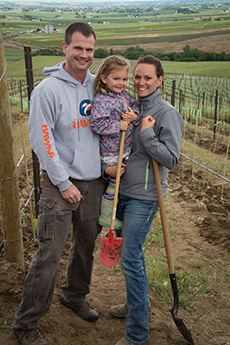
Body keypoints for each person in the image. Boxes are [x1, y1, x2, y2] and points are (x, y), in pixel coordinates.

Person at [13, 22, 106, 345]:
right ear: (64, 48)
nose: (84, 54)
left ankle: (75, 296)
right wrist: (63, 182)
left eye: (89, 49)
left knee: (86, 248)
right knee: (49, 253)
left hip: (94, 182)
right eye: (78, 47)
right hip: (59, 184)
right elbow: (42, 140)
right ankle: (26, 324)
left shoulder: (99, 85)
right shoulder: (48, 90)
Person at [105, 55, 184, 345]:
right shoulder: (131, 106)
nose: (140, 82)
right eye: (137, 77)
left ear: (160, 80)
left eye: (147, 77)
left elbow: (172, 159)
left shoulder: (167, 113)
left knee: (129, 256)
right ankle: (135, 303)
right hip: (122, 192)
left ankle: (137, 333)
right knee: (130, 255)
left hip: (146, 197)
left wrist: (147, 135)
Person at [90, 55, 140, 232]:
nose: (121, 83)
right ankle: (107, 215)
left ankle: (118, 217)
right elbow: (96, 123)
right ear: (104, 78)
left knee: (122, 186)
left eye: (125, 79)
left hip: (125, 149)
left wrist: (134, 116)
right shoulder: (102, 100)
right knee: (113, 184)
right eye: (116, 78)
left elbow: (135, 107)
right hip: (111, 152)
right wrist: (118, 125)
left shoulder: (125, 96)